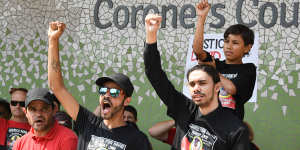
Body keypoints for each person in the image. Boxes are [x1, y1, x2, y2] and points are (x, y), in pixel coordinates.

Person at [144, 13, 250, 150]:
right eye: (192, 84)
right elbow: (154, 74)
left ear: (217, 87)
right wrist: (151, 35)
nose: (196, 88)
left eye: (203, 83)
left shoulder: (236, 129)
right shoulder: (183, 109)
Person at [47, 21, 152, 150]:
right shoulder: (87, 123)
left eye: (114, 92)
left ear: (127, 100)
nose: (106, 95)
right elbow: (56, 87)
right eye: (103, 91)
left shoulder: (138, 139)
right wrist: (53, 40)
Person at [192, 0, 256, 120]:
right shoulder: (217, 64)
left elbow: (231, 88)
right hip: (208, 123)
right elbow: (198, 50)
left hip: (231, 127)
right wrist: (201, 18)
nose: (228, 46)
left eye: (235, 43)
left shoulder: (248, 69)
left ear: (247, 47)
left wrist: (213, 71)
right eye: (226, 41)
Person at [12, 88, 78, 150]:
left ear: (54, 110)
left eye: (44, 109)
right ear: (25, 112)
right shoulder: (19, 144)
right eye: (33, 109)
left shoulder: (68, 138)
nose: (38, 114)